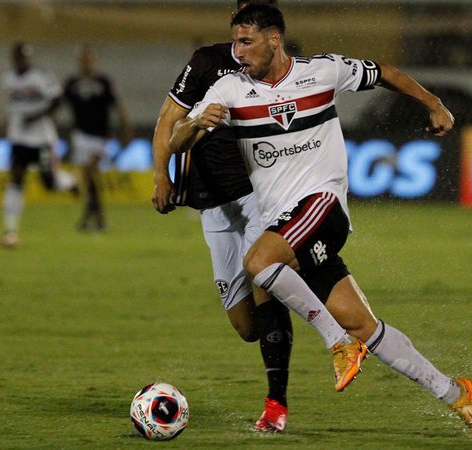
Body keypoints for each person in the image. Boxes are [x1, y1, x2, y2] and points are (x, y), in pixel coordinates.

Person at [171, 4, 472, 440]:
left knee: (259, 261)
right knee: (364, 325)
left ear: (273, 39)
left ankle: (337, 343)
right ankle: (455, 393)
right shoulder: (228, 89)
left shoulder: (322, 72)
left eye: (246, 42)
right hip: (289, 223)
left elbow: (384, 72)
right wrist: (193, 128)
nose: (237, 52)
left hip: (323, 206)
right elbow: (175, 138)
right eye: (234, 43)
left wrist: (433, 103)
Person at [150, 0, 293, 433]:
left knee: (263, 280)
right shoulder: (207, 62)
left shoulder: (275, 65)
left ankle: (276, 406)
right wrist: (162, 175)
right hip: (211, 204)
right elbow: (167, 121)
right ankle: (294, 296)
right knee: (247, 326)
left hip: (257, 196)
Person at [0, 42, 70, 248]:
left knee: (49, 183)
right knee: (16, 178)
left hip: (42, 139)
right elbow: (12, 106)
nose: (23, 61)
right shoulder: (8, 79)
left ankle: (70, 182)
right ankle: (10, 230)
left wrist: (36, 116)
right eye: (20, 57)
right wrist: (7, 124)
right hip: (19, 139)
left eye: (26, 57)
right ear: (14, 58)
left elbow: (58, 100)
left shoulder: (41, 76)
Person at [63, 45, 133, 232]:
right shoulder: (72, 83)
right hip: (80, 135)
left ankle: (92, 218)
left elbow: (117, 105)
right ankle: (95, 218)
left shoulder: (103, 82)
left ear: (94, 61)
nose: (86, 62)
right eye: (84, 59)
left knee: (92, 175)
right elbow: (60, 103)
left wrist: (126, 128)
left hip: (101, 136)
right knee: (89, 179)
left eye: (89, 59)